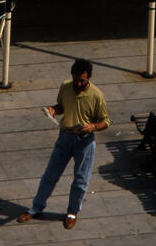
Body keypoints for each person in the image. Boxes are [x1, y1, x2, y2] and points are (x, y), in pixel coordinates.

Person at [17, 59, 110, 230]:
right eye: (76, 80)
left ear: (89, 78)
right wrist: (53, 110)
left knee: (81, 180)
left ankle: (72, 212)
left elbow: (105, 122)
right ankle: (36, 207)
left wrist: (93, 127)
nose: (78, 84)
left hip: (84, 142)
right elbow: (61, 106)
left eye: (82, 81)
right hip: (65, 136)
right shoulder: (66, 86)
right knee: (50, 175)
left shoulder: (97, 95)